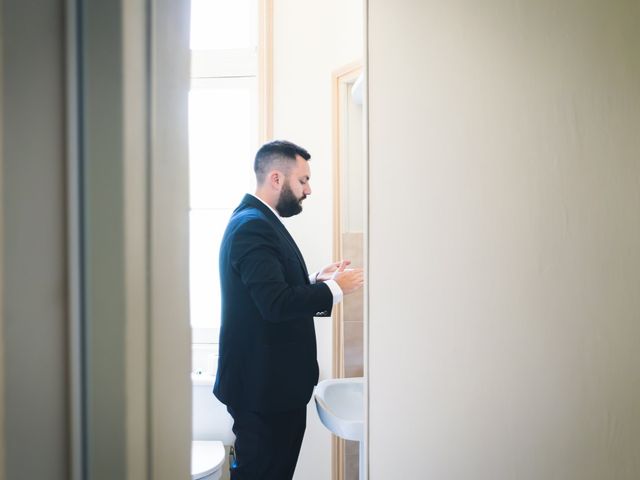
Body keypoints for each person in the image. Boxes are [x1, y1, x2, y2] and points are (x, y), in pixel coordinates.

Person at [214, 140, 364, 479]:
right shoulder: (252, 226)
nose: (309, 190)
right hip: (264, 391)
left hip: (270, 388)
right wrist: (337, 288)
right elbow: (275, 304)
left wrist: (315, 279)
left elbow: (266, 291)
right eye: (303, 180)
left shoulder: (257, 221)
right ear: (277, 178)